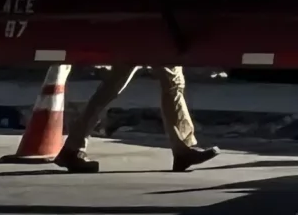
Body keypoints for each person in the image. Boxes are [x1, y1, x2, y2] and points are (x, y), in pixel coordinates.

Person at [58, 64, 217, 173]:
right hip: (157, 28)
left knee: (111, 87)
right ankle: (183, 149)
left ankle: (72, 147)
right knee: (172, 82)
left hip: (140, 29)